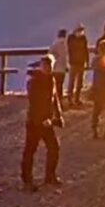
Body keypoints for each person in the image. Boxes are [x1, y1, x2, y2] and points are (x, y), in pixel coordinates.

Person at [21, 54, 64, 191]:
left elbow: (54, 98)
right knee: (30, 151)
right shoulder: (34, 82)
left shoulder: (51, 79)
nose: (48, 68)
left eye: (50, 66)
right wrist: (43, 119)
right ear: (41, 66)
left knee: (54, 148)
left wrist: (58, 115)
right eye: (45, 66)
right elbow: (34, 102)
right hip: (35, 122)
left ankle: (50, 176)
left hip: (47, 122)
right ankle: (27, 180)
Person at [66, 25, 90, 106]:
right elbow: (68, 51)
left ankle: (77, 98)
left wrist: (87, 61)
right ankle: (70, 99)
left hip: (81, 63)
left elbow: (86, 50)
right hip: (73, 63)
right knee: (72, 82)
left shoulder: (83, 39)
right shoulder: (71, 38)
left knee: (79, 82)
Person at [50, 29, 69, 101]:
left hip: (55, 68)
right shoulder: (66, 44)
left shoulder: (55, 44)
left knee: (55, 85)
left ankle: (54, 100)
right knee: (60, 85)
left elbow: (50, 54)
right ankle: (59, 101)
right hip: (63, 68)